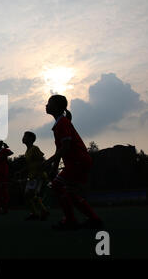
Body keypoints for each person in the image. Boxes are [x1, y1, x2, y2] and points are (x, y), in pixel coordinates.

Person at [43, 95, 103, 230]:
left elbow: (66, 147)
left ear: (58, 107)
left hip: (78, 161)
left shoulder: (63, 123)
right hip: (78, 162)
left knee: (57, 186)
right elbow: (60, 148)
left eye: (49, 103)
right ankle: (94, 219)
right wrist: (54, 166)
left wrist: (50, 161)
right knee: (70, 192)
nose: (46, 105)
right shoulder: (59, 123)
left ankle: (70, 220)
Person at [21, 131, 50, 221]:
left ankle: (43, 211)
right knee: (27, 195)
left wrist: (38, 175)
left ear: (30, 139)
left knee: (32, 195)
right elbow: (30, 165)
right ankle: (36, 213)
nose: (23, 138)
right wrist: (21, 171)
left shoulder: (35, 148)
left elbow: (42, 161)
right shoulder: (27, 151)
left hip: (38, 176)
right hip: (32, 176)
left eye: (25, 136)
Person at [0, 140, 13, 214]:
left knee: (4, 190)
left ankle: (5, 209)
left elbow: (11, 153)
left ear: (0, 144)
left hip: (4, 171)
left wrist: (6, 148)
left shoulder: (4, 150)